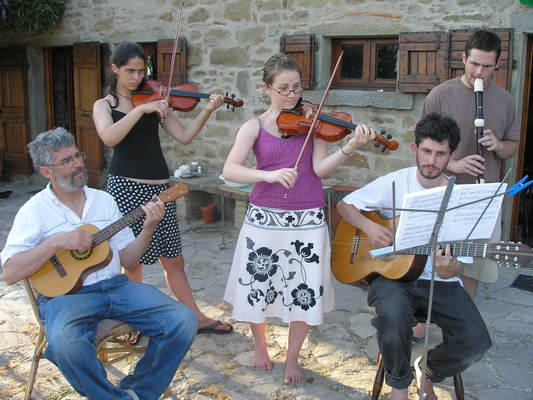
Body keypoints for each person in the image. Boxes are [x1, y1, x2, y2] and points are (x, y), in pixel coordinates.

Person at [1, 128, 198, 400]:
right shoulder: (34, 211)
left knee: (183, 319)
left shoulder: (104, 201)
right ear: (47, 171)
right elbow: (10, 272)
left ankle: (138, 391)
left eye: (77, 156)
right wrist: (55, 243)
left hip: (116, 288)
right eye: (67, 161)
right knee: (65, 346)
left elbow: (128, 259)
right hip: (66, 297)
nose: (78, 164)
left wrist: (149, 227)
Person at [222, 54, 376, 384]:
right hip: (263, 220)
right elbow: (229, 169)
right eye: (283, 89)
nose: (293, 95)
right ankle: (261, 348)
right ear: (267, 89)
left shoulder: (313, 122)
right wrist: (269, 175)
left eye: (297, 87)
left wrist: (352, 145)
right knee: (257, 286)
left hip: (306, 220)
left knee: (302, 289)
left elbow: (319, 169)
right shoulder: (254, 127)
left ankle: (292, 358)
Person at [337, 113, 491, 400]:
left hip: (439, 282)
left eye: (440, 153)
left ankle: (429, 369)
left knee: (477, 341)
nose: (432, 161)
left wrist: (449, 269)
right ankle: (399, 385)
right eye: (426, 151)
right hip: (392, 277)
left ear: (451, 156)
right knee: (393, 317)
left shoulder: (461, 199)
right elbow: (345, 206)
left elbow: (457, 266)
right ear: (415, 149)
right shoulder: (395, 182)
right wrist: (370, 226)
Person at [93, 41, 232, 334]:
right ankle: (135, 322)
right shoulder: (105, 105)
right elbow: (109, 137)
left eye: (141, 71)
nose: (136, 77)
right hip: (126, 188)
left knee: (173, 259)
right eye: (130, 71)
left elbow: (184, 136)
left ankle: (196, 318)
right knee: (132, 263)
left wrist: (207, 110)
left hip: (161, 189)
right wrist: (139, 111)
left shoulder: (153, 100)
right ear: (115, 69)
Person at [421, 30, 520, 297]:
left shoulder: (506, 100)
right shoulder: (440, 95)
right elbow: (421, 150)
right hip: (442, 193)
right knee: (435, 262)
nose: (479, 72)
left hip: (483, 197)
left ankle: (462, 324)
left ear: (497, 64)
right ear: (463, 58)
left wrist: (498, 145)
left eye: (487, 66)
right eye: (474, 63)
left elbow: (512, 146)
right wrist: (453, 166)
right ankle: (424, 322)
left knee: (473, 266)